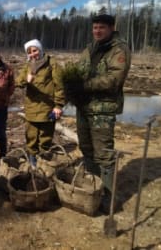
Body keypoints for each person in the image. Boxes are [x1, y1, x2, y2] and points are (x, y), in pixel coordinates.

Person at [66, 14, 131, 211]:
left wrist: (84, 85)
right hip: (84, 108)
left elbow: (114, 80)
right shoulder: (89, 48)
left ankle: (109, 199)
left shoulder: (119, 49)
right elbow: (79, 70)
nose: (97, 31)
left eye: (101, 28)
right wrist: (71, 84)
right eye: (95, 28)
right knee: (87, 149)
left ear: (111, 28)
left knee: (104, 154)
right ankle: (93, 188)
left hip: (102, 110)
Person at [15, 39, 65, 166]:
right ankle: (32, 159)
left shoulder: (52, 64)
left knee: (46, 136)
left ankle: (44, 159)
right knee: (31, 136)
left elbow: (59, 86)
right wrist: (27, 80)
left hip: (48, 107)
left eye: (35, 50)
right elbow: (18, 82)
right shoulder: (27, 66)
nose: (33, 54)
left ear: (40, 49)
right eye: (30, 52)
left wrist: (58, 105)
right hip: (31, 107)